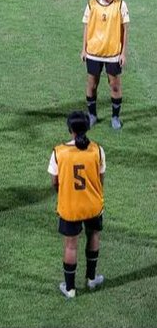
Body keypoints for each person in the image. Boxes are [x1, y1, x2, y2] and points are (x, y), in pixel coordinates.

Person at [48, 111, 106, 299]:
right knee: (93, 236)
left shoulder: (59, 152)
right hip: (92, 205)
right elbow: (100, 179)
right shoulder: (97, 150)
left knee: (71, 246)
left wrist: (65, 193)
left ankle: (71, 289)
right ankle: (91, 279)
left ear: (70, 129)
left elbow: (55, 183)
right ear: (87, 128)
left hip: (70, 206)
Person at [81, 0, 130, 130]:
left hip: (113, 54)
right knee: (92, 84)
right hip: (93, 52)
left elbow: (125, 30)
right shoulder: (91, 4)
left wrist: (123, 53)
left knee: (115, 85)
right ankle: (92, 115)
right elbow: (86, 28)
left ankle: (115, 117)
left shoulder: (120, 5)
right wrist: (84, 49)